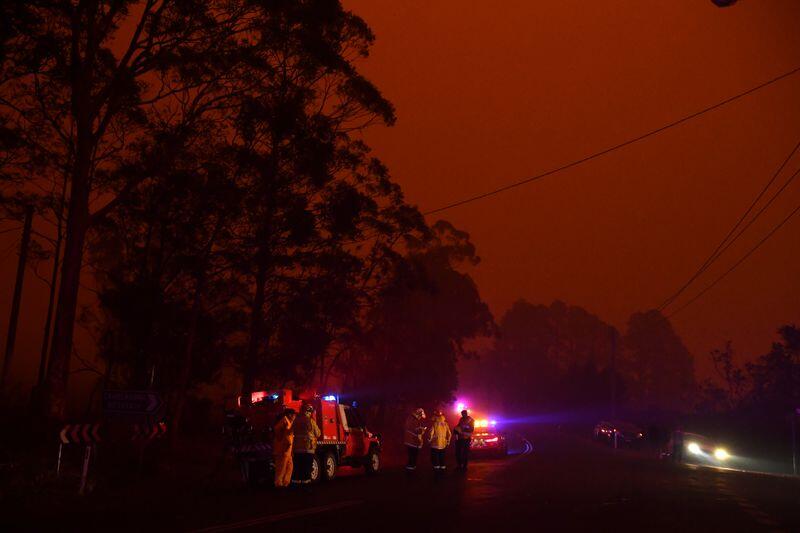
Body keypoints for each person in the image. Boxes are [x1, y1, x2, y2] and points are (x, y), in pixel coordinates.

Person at [292, 403, 321, 485]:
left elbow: (291, 431)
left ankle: (296, 483)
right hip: (308, 449)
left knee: (298, 467)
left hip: (297, 449)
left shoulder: (296, 420)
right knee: (307, 467)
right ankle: (306, 484)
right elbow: (318, 433)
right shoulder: (311, 421)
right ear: (309, 411)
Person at [273, 408, 296, 488]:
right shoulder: (284, 420)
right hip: (283, 449)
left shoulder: (289, 422)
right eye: (294, 414)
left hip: (287, 450)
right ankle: (279, 484)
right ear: (290, 414)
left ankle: (285, 483)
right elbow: (279, 431)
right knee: (281, 467)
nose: (295, 416)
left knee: (289, 466)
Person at [428, 410, 451, 475]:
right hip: (443, 444)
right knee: (442, 456)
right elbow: (449, 433)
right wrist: (448, 441)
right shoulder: (445, 423)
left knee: (435, 457)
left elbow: (430, 433)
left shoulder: (434, 423)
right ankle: (442, 468)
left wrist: (429, 440)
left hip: (435, 444)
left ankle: (436, 470)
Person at [404, 408, 426, 472]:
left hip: (409, 441)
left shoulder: (410, 418)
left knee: (411, 455)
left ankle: (410, 468)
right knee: (413, 456)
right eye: (420, 416)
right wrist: (422, 430)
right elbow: (416, 430)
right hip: (412, 441)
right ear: (418, 414)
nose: (421, 418)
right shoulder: (414, 420)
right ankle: (411, 470)